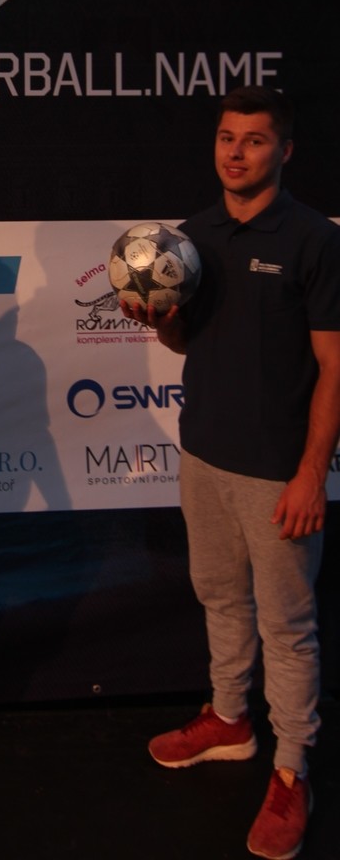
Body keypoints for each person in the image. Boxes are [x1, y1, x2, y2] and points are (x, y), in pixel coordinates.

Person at [121, 86, 340, 860]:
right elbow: (189, 343)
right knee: (217, 594)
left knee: (286, 626)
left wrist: (311, 472)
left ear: (284, 150)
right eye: (225, 137)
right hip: (202, 455)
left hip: (278, 472)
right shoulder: (192, 238)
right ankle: (228, 718)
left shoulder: (313, 239)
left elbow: (333, 366)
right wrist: (162, 320)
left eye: (253, 140)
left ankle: (290, 769)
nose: (235, 153)